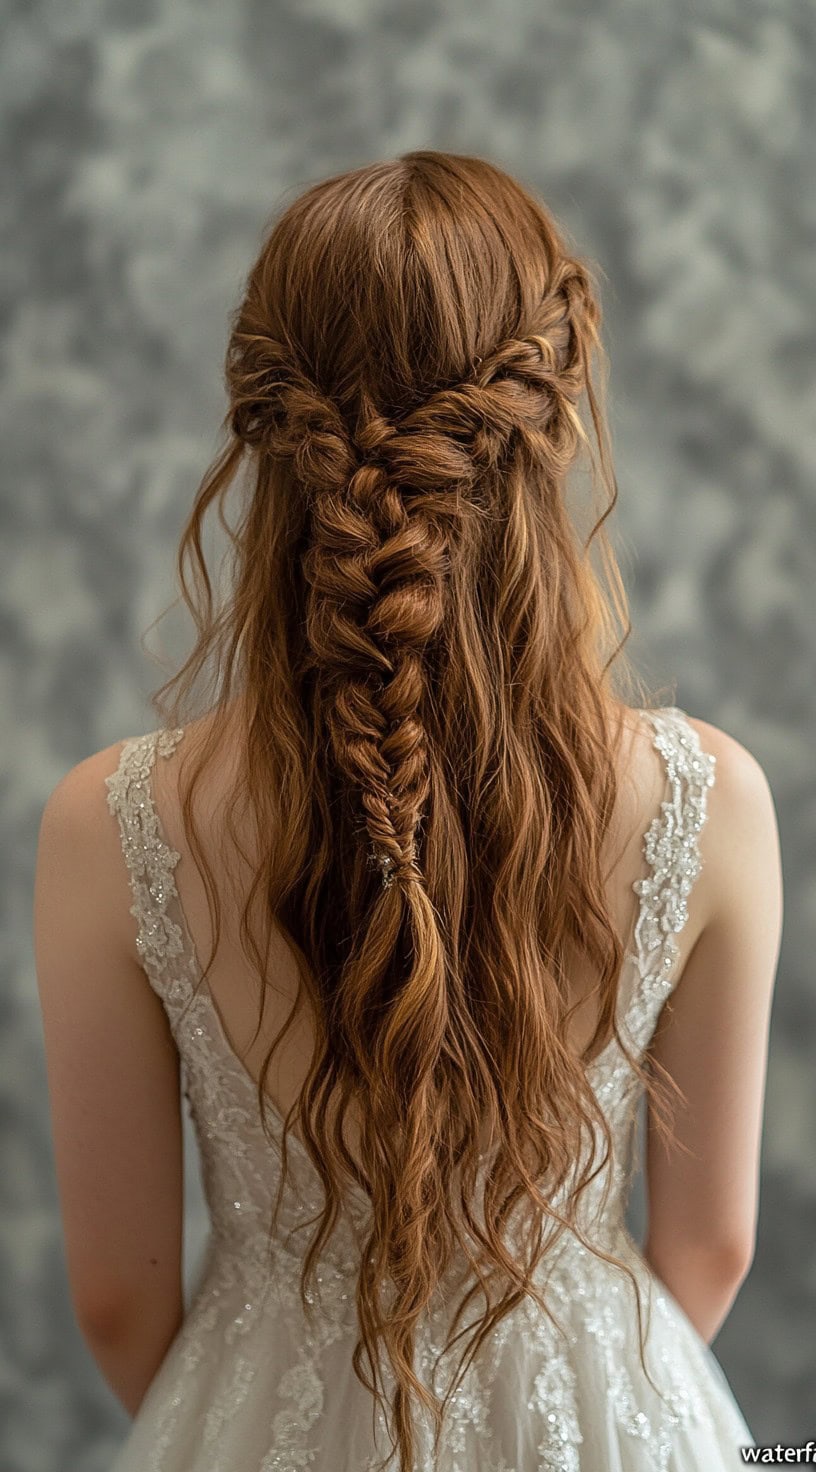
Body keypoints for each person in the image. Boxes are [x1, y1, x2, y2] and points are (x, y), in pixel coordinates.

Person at [33, 150, 783, 1471]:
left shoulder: (111, 824)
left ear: (265, 429)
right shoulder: (709, 801)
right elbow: (712, 1247)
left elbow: (118, 1297)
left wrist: (266, 1402)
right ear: (552, 415)